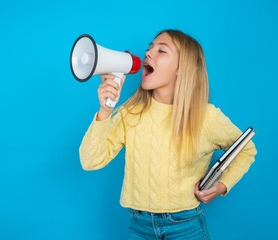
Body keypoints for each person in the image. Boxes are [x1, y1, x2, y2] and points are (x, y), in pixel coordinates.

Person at [79, 29, 257, 240]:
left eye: (161, 50)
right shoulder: (130, 114)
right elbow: (90, 161)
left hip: (186, 227)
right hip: (139, 227)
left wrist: (221, 186)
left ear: (182, 69)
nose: (148, 53)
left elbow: (246, 149)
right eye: (149, 48)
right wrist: (105, 111)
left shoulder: (205, 117)